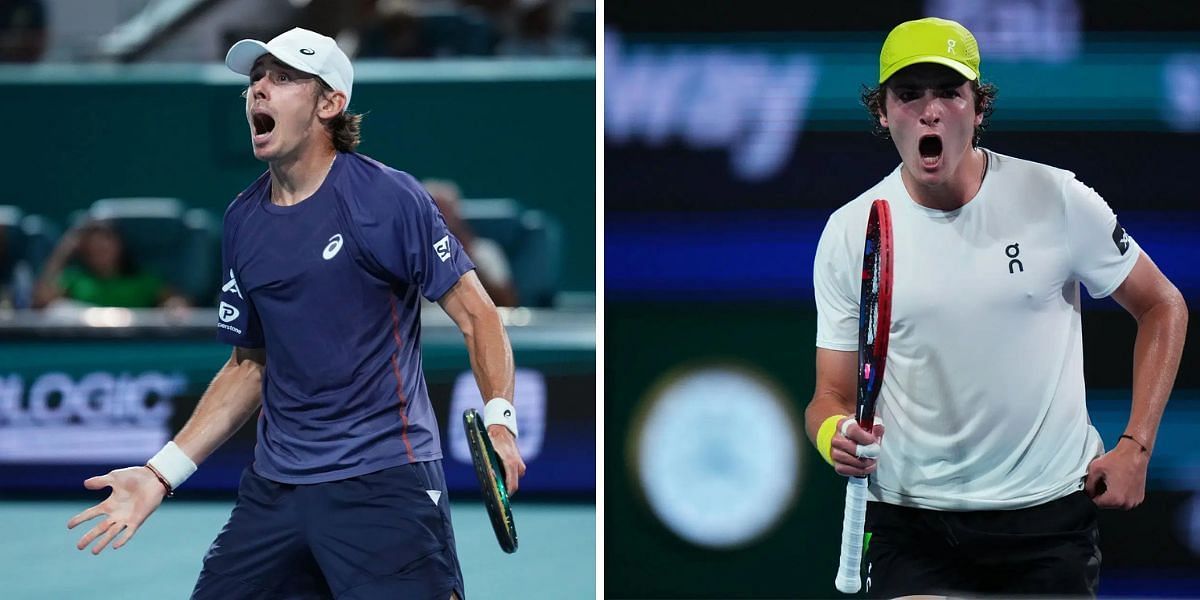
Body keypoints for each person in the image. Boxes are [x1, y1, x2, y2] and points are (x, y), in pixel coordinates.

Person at [67, 27, 525, 600]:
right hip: (274, 493)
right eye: (256, 79)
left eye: (283, 78)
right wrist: (161, 474)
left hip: (384, 483)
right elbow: (248, 366)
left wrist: (501, 421)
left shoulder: (388, 200)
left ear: (330, 103)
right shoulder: (242, 220)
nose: (259, 89)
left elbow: (478, 316)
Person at [807, 17, 1187, 598]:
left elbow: (1163, 305)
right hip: (913, 526)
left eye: (949, 94)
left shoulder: (1057, 198)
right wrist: (833, 433)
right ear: (882, 114)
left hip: (1048, 520)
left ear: (978, 108)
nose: (929, 112)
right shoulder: (849, 232)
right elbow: (828, 398)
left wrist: (1136, 445)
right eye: (908, 95)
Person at [32, 219, 188, 310]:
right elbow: (41, 301)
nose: (100, 253)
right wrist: (62, 252)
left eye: (105, 248)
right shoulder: (75, 280)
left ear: (119, 246)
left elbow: (179, 303)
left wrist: (173, 306)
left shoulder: (145, 280)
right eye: (93, 249)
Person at [423, 178, 520, 307]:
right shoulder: (407, 256)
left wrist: (466, 260)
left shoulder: (484, 252)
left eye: (445, 210)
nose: (441, 218)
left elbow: (508, 303)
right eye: (434, 210)